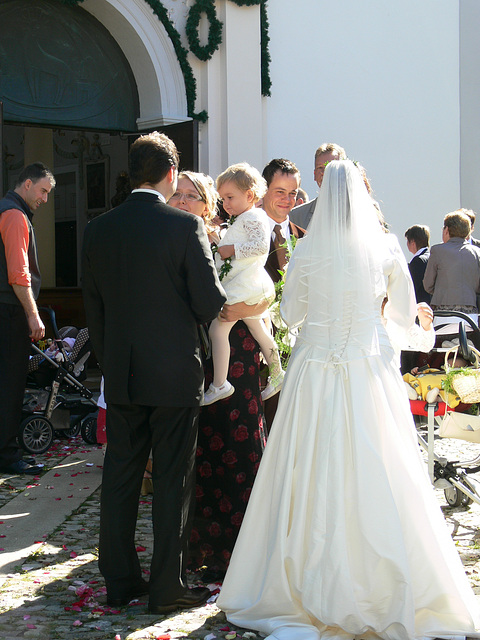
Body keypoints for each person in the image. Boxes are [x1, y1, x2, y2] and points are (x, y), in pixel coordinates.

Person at [218, 160, 480, 640]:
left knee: (308, 467)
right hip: (367, 367)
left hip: (315, 369)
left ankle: (300, 581)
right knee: (379, 463)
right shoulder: (382, 247)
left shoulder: (308, 248)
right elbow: (401, 317)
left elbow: (292, 312)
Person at [82, 132, 226, 613]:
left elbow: (94, 310)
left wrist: (111, 362)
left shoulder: (98, 229)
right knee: (171, 481)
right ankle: (167, 586)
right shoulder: (184, 228)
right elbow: (209, 303)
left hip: (121, 374)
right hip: (174, 376)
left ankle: (120, 582)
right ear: (170, 174)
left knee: (120, 478)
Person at [168, 171, 267, 583]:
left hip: (238, 351)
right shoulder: (204, 236)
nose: (185, 201)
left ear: (208, 204)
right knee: (205, 448)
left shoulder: (230, 236)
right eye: (178, 194)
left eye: (193, 196)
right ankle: (204, 544)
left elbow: (267, 288)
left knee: (240, 439)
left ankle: (248, 546)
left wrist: (245, 309)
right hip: (198, 357)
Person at [204, 163, 282, 405]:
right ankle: (277, 373)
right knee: (259, 330)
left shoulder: (253, 216)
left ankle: (219, 383)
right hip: (247, 284)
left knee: (218, 329)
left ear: (249, 195)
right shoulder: (245, 217)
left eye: (230, 197)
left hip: (245, 285)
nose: (225, 204)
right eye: (223, 199)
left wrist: (230, 248)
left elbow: (261, 247)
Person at [0, 162, 54, 476]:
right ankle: (7, 457)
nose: (45, 199)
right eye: (43, 191)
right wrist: (33, 316)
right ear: (28, 183)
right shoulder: (15, 215)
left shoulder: (5, 209)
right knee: (9, 386)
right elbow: (19, 275)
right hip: (9, 313)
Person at [423, 209, 480, 327]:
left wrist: (442, 289)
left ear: (447, 230)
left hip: (443, 313)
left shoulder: (437, 250)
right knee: (467, 344)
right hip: (470, 314)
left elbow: (428, 284)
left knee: (444, 345)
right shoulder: (477, 252)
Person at [290, 142, 347, 229]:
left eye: (330, 168)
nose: (325, 173)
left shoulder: (361, 212)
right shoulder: (297, 216)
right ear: (314, 174)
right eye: (320, 168)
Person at [405, 224, 431, 304]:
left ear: (412, 242)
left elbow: (411, 288)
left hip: (420, 307)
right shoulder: (431, 256)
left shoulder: (418, 261)